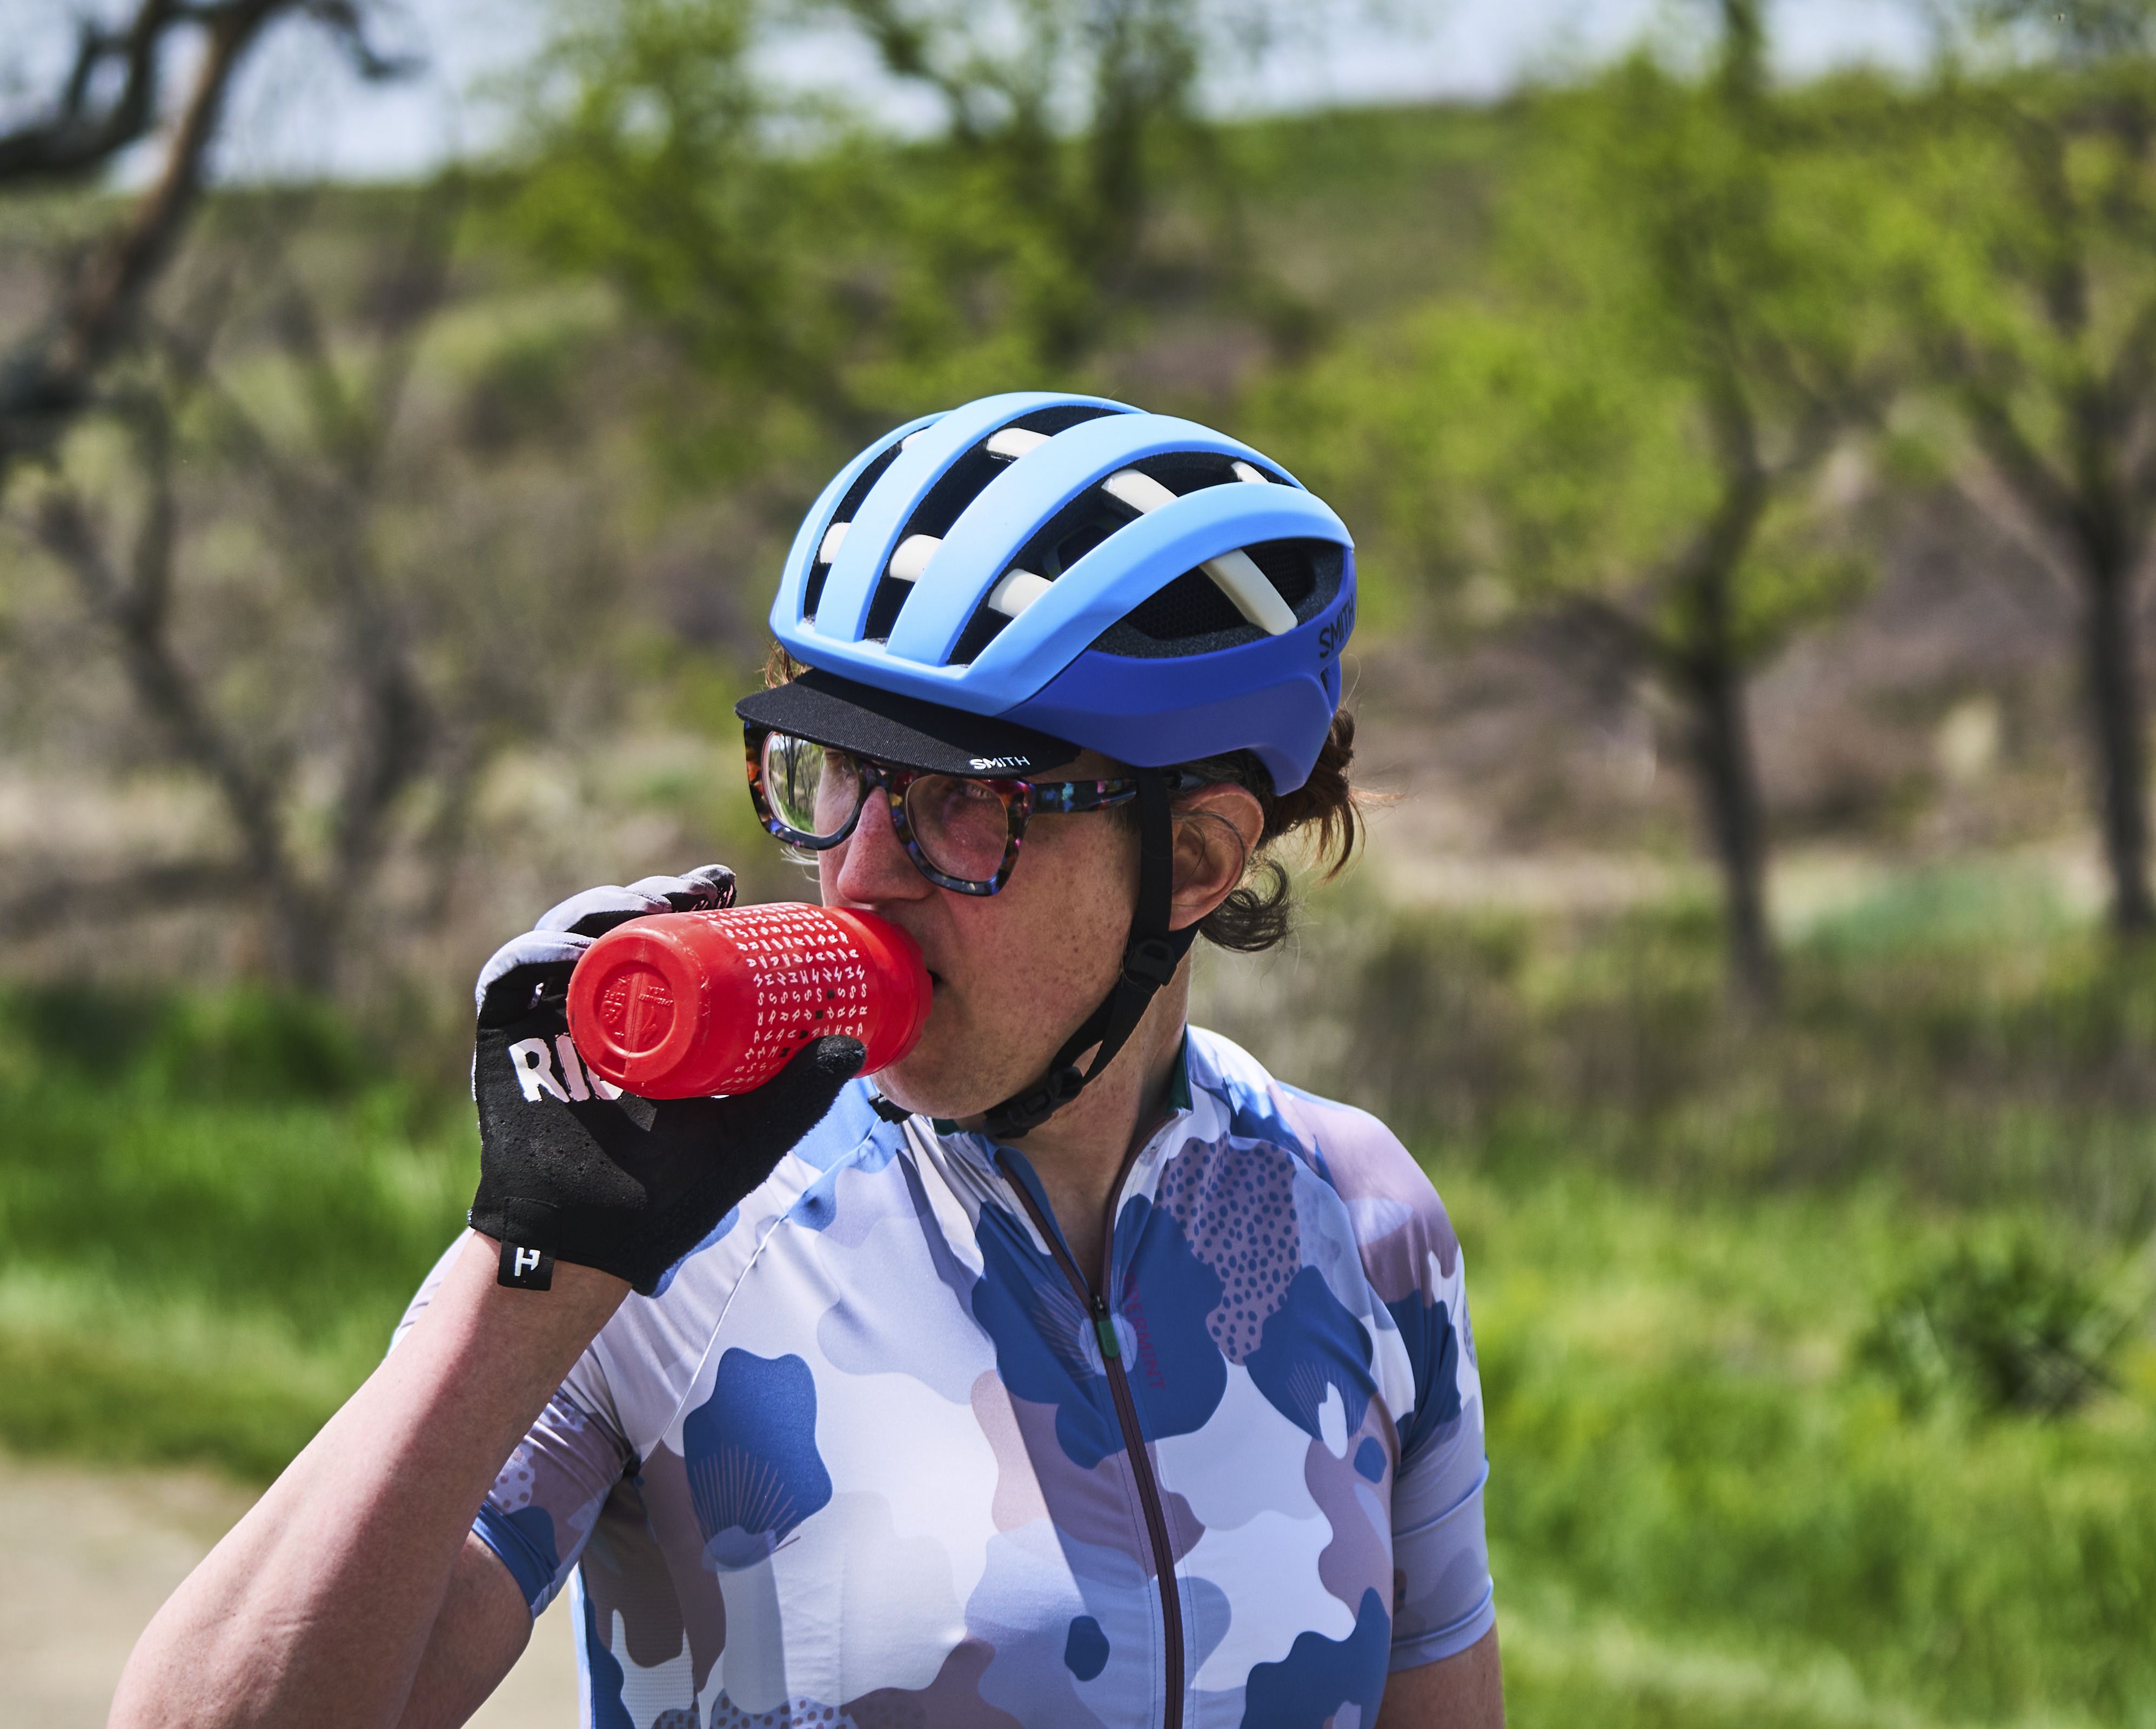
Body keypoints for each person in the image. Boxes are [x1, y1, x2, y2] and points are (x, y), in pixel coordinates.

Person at [111, 392, 1501, 1729]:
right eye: (833, 779)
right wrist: (532, 1260)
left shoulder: (1361, 1223)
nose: (860, 874)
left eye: (966, 806)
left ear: (1193, 862)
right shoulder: (676, 1240)